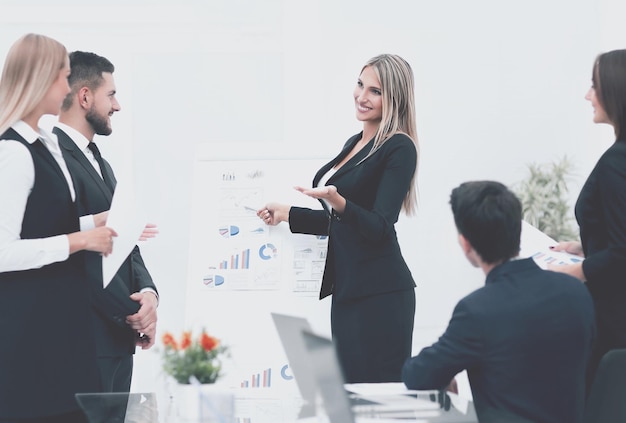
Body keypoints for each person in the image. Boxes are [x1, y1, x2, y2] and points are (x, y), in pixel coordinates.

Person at [258, 54, 418, 383]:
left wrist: (338, 201)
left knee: (377, 402)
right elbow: (343, 224)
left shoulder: (399, 147)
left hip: (381, 293)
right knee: (350, 400)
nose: (362, 96)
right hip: (349, 290)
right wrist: (286, 213)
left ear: (395, 98)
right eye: (360, 84)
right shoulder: (355, 143)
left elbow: (378, 227)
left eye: (376, 91)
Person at [401, 181, 595, 423]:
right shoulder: (576, 293)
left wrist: (443, 373)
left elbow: (418, 375)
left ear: (466, 244)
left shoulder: (477, 310)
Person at [0, 34, 117, 422]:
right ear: (42, 80)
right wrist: (82, 239)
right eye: (64, 77)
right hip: (30, 336)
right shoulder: (13, 151)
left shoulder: (46, 142)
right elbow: (3, 251)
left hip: (62, 329)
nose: (69, 87)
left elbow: (43, 223)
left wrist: (98, 223)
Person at [53, 51, 159, 393]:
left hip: (115, 341)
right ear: (85, 96)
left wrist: (148, 295)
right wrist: (130, 313)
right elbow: (64, 246)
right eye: (111, 94)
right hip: (81, 339)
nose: (117, 106)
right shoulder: (52, 160)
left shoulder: (102, 163)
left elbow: (124, 239)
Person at [549, 48, 626, 392]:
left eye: (594, 86)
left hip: (613, 321)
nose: (587, 95)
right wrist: (586, 247)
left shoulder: (616, 162)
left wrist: (576, 270)